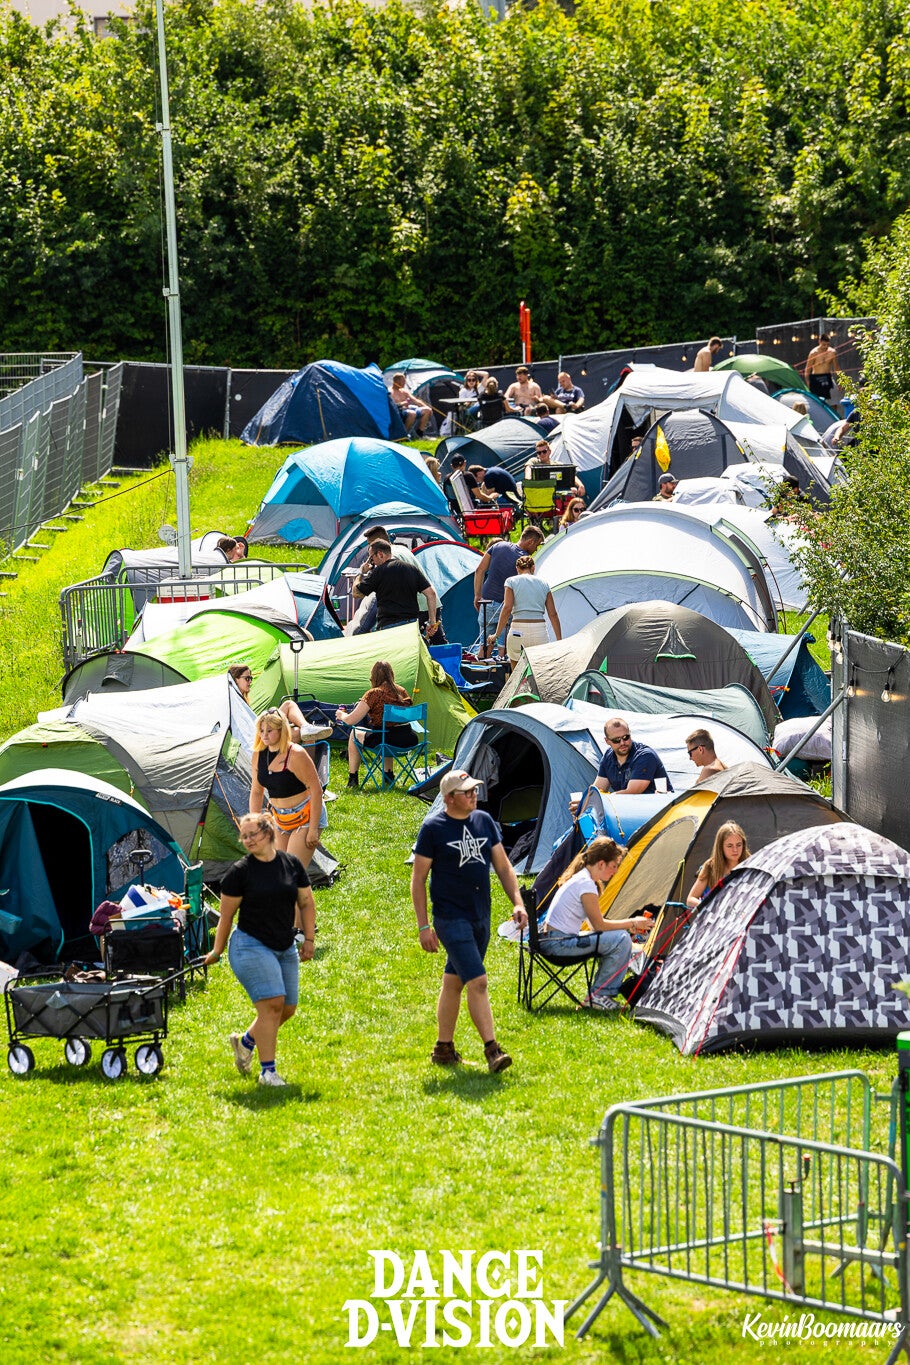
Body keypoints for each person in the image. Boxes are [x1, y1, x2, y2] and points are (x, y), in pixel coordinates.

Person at [411, 770, 527, 1071]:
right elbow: (418, 879)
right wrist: (424, 926)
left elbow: (504, 867)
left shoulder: (484, 821)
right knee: (478, 981)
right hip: (450, 918)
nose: (474, 795)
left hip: (480, 915)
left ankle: (443, 1049)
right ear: (449, 798)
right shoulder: (433, 828)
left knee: (454, 981)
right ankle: (493, 1049)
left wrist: (517, 902)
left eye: (475, 790)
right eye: (467, 792)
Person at [203, 811, 315, 1088]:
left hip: (284, 945)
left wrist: (309, 939)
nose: (248, 840)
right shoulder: (240, 873)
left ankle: (245, 1043)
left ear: (268, 832)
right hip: (250, 945)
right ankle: (268, 1073)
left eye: (252, 834)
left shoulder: (291, 864)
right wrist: (217, 951)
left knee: (287, 1008)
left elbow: (306, 902)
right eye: (244, 836)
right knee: (272, 1005)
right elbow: (226, 917)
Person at [541, 837, 654, 1011]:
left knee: (619, 937)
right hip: (559, 944)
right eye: (614, 866)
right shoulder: (586, 884)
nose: (615, 871)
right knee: (621, 939)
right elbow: (599, 926)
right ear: (601, 864)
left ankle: (599, 994)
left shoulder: (582, 879)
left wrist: (630, 926)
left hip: (553, 940)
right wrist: (632, 922)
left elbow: (595, 926)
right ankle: (599, 995)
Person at [250, 709, 324, 868]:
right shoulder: (258, 754)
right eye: (261, 731)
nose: (264, 735)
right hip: (281, 818)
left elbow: (317, 790)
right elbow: (256, 792)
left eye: (269, 731)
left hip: (306, 815)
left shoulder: (296, 754)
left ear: (281, 730)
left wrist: (313, 829)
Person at [334, 659, 416, 789]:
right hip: (409, 739)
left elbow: (350, 720)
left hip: (386, 741)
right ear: (391, 674)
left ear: (373, 677)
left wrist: (341, 715)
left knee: (355, 733)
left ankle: (353, 779)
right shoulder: (401, 691)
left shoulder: (374, 694)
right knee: (388, 730)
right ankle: (388, 776)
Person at [473, 525, 544, 657]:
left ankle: (482, 668)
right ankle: (502, 670)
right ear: (531, 542)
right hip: (506, 607)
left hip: (486, 603)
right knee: (504, 648)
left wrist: (477, 595)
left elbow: (479, 570)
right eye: (537, 545)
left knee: (484, 645)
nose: (536, 549)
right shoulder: (525, 561)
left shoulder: (498, 546)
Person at [571, 717, 672, 807]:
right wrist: (583, 804)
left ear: (630, 734)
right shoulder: (608, 757)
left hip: (657, 811)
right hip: (629, 811)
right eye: (616, 740)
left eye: (625, 737)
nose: (622, 743)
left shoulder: (645, 755)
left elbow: (632, 792)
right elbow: (599, 788)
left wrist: (597, 801)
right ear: (607, 741)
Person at [352, 539, 441, 635]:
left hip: (389, 626)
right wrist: (432, 622)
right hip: (412, 626)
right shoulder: (411, 568)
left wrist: (360, 573)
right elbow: (431, 594)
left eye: (371, 558)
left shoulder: (379, 572)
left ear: (380, 554)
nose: (372, 562)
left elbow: (356, 593)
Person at [490, 554, 561, 667]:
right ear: (533, 568)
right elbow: (553, 614)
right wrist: (559, 640)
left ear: (517, 569)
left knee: (516, 673)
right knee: (539, 671)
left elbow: (507, 608)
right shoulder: (544, 584)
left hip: (518, 630)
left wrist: (496, 634)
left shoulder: (511, 581)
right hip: (539, 632)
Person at [685, 821, 750, 908]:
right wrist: (711, 907)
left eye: (738, 845)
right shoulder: (710, 867)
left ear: (743, 845)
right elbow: (690, 899)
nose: (735, 850)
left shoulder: (750, 865)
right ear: (720, 847)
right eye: (729, 846)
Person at [390, 372, 432, 437]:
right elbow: (390, 405)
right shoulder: (390, 392)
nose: (404, 383)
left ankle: (420, 432)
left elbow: (415, 401)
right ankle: (404, 435)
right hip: (399, 412)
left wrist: (426, 406)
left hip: (408, 409)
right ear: (398, 381)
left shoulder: (404, 391)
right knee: (412, 413)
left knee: (427, 410)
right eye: (403, 381)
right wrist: (402, 404)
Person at [804, 334, 838, 401]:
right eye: (824, 345)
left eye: (828, 344)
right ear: (819, 342)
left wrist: (840, 381)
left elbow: (836, 367)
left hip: (827, 377)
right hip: (816, 378)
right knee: (817, 402)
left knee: (833, 402)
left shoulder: (832, 352)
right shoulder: (813, 353)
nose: (826, 347)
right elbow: (807, 370)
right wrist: (808, 384)